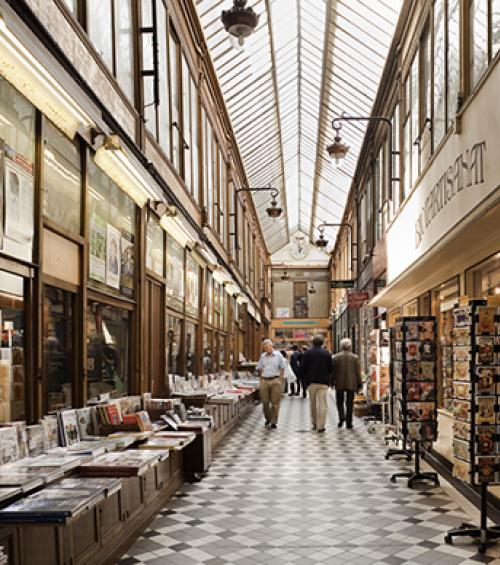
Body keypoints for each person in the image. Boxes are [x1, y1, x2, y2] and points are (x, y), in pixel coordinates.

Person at [301, 335, 334, 432]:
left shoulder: (307, 353)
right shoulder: (327, 353)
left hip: (311, 382)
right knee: (322, 404)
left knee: (313, 404)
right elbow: (331, 369)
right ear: (322, 343)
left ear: (312, 343)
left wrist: (305, 380)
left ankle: (314, 423)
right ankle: (321, 425)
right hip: (323, 382)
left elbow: (303, 368)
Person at [333, 338, 362, 429]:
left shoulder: (335, 357)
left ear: (341, 346)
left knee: (339, 401)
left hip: (339, 382)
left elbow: (333, 371)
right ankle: (349, 422)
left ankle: (341, 418)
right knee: (350, 403)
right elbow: (358, 372)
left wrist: (332, 381)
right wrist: (359, 383)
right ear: (350, 346)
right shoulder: (355, 357)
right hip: (351, 382)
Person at [256, 339, 285, 429]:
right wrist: (260, 380)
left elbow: (282, 368)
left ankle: (273, 421)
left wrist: (280, 380)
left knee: (275, 402)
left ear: (272, 346)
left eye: (268, 347)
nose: (266, 349)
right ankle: (268, 418)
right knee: (265, 402)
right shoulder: (263, 356)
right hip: (265, 380)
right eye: (264, 348)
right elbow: (260, 368)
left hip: (275, 380)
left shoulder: (278, 355)